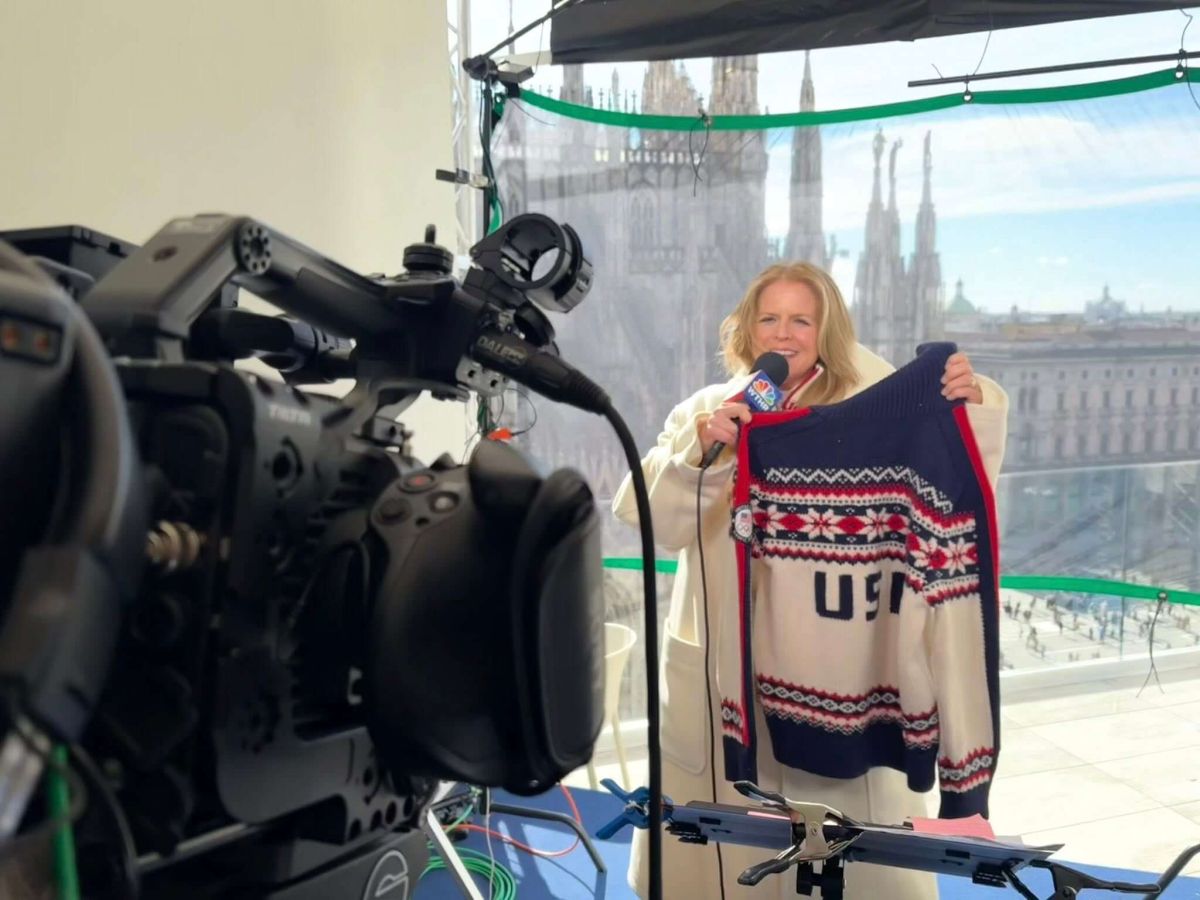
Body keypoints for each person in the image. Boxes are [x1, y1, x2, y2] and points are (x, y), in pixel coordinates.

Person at [613, 262, 1008, 900]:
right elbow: (644, 513)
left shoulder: (867, 404)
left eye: (803, 319)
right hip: (726, 679)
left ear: (829, 332)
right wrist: (702, 458)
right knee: (725, 855)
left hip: (835, 674)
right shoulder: (708, 410)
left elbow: (949, 456)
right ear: (747, 328)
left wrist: (975, 396)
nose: (785, 333)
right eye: (770, 318)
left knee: (842, 856)